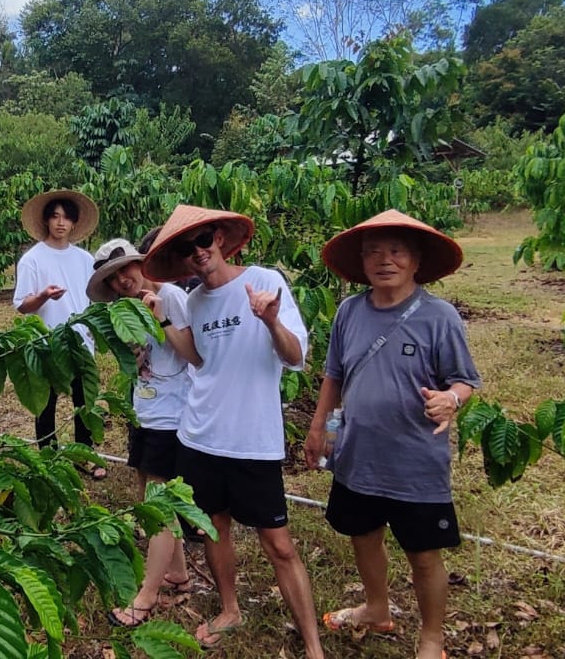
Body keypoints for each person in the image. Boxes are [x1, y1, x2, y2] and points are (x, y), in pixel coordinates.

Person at [141, 205, 324, 657]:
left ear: (220, 238)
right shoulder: (197, 301)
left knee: (279, 544)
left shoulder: (264, 281)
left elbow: (296, 355)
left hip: (252, 438)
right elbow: (199, 359)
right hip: (200, 434)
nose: (198, 253)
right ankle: (229, 608)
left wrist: (270, 320)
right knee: (213, 529)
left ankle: (313, 645)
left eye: (204, 241)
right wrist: (163, 319)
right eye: (187, 248)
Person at [307, 209, 480, 659]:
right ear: (362, 262)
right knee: (363, 537)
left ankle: (432, 637)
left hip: (414, 462)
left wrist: (452, 400)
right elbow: (334, 376)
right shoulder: (349, 310)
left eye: (396, 251)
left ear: (416, 260)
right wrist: (321, 429)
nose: (385, 260)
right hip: (358, 456)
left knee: (423, 554)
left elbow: (466, 381)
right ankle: (376, 607)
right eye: (373, 252)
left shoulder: (439, 317)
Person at [87, 238, 203, 628]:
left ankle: (147, 595)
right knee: (147, 496)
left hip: (173, 416)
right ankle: (178, 574)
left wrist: (160, 320)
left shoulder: (170, 297)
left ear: (142, 265)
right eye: (114, 276)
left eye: (127, 269)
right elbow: (135, 363)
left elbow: (195, 355)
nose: (124, 279)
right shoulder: (124, 310)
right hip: (146, 412)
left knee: (159, 505)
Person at [12, 190, 103, 474]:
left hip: (80, 344)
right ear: (46, 221)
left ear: (74, 223)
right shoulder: (33, 260)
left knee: (84, 401)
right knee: (45, 404)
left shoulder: (85, 259)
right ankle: (47, 458)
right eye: (54, 216)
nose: (60, 222)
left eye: (66, 217)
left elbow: (93, 299)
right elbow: (22, 306)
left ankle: (84, 455)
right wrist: (43, 297)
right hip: (46, 344)